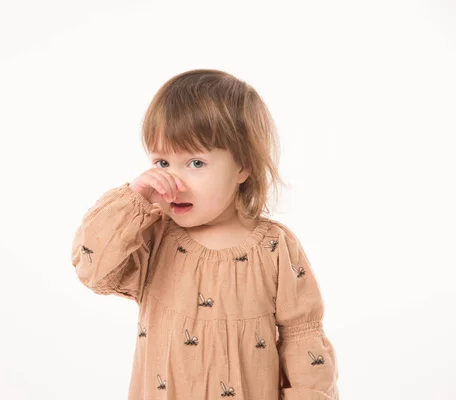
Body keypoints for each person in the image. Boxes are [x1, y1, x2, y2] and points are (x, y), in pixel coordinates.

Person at [71, 69, 339, 399]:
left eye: (196, 163)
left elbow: (303, 340)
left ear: (243, 166)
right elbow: (93, 269)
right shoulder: (153, 235)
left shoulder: (276, 249)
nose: (175, 181)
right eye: (162, 163)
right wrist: (133, 199)